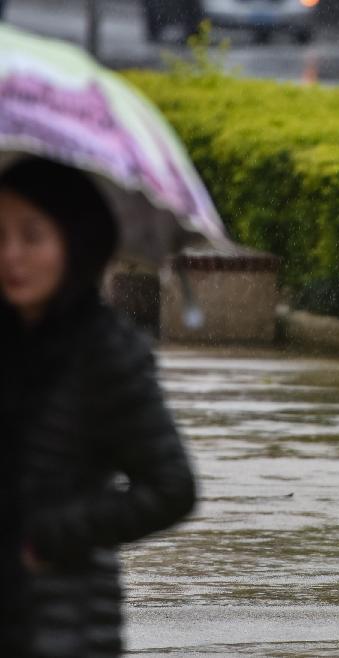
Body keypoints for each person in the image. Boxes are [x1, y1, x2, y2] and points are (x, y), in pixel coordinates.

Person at [0, 158, 197, 657]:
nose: (11, 256)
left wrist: (46, 538)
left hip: (60, 625)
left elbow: (171, 488)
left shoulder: (107, 351)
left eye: (32, 236)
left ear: (73, 240)